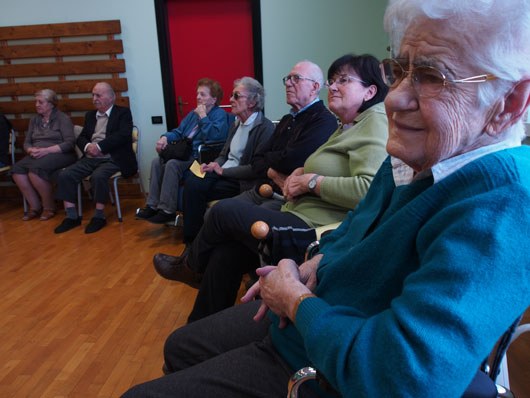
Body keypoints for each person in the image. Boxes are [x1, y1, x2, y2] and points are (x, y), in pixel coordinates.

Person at [122, 0, 530, 396]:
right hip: (312, 319)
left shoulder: (505, 206)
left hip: (328, 369)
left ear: (509, 102)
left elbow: (401, 379)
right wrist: (313, 261)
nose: (394, 98)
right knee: (180, 345)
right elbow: (353, 228)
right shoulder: (417, 154)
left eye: (432, 76)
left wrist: (296, 300)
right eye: (400, 70)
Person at [155, 53, 389, 323]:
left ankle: (191, 266)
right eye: (332, 80)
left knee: (223, 211)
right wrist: (305, 172)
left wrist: (311, 181)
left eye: (344, 80)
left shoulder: (374, 121)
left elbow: (368, 190)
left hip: (315, 228)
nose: (333, 86)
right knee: (225, 253)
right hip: (295, 210)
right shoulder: (346, 126)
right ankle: (198, 329)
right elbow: (271, 158)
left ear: (370, 90)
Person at [180, 77, 275, 240]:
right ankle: (197, 239)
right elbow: (224, 155)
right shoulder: (237, 123)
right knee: (191, 178)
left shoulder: (264, 127)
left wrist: (222, 170)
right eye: (232, 95)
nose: (231, 100)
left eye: (236, 96)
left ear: (252, 102)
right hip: (222, 173)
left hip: (239, 181)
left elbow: (255, 169)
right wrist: (214, 165)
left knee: (194, 188)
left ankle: (192, 242)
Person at [136, 78, 231, 224]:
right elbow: (179, 132)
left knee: (173, 164)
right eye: (197, 94)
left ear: (214, 99)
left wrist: (203, 116)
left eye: (203, 94)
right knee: (157, 161)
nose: (198, 97)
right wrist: (164, 138)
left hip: (199, 159)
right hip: (184, 154)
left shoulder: (220, 115)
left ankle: (167, 210)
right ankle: (152, 205)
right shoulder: (193, 114)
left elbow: (215, 138)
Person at [54, 82, 137, 234]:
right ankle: (71, 217)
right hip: (91, 157)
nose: (94, 98)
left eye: (98, 95)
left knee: (98, 176)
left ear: (111, 97)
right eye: (93, 95)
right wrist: (88, 147)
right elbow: (82, 136)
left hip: (115, 157)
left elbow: (123, 135)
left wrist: (100, 147)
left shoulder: (123, 113)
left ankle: (99, 216)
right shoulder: (90, 115)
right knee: (65, 175)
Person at [11, 89, 77, 221]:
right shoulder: (34, 120)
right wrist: (30, 150)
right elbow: (27, 142)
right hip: (37, 154)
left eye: (40, 102)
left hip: (60, 153)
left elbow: (69, 143)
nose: (37, 105)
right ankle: (35, 207)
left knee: (35, 171)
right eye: (36, 102)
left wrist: (46, 150)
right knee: (16, 170)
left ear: (51, 104)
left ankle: (49, 207)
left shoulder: (62, 118)